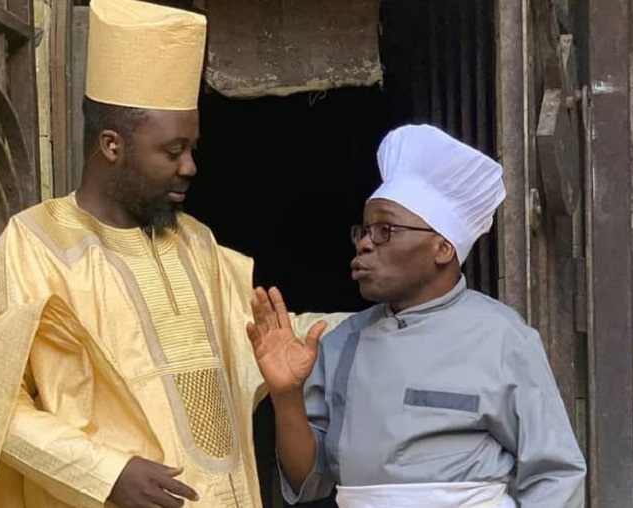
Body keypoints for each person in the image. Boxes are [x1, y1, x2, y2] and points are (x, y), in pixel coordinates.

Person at [0, 1, 346, 507]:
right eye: (173, 150)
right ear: (112, 145)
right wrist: (105, 472)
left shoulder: (198, 244)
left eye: (193, 150)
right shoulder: (34, 246)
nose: (190, 167)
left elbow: (265, 335)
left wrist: (389, 318)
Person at [247, 124, 587, 508]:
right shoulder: (343, 342)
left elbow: (555, 474)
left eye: (385, 231)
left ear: (442, 247)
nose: (363, 243)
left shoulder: (501, 336)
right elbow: (307, 482)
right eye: (363, 230)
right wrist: (286, 394)